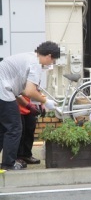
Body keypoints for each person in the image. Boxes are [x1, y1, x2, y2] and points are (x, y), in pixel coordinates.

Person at [0, 41, 60, 170]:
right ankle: (8, 164)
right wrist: (45, 101)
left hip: (4, 91)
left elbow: (19, 91)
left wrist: (28, 106)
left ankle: (7, 162)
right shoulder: (36, 63)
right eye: (53, 61)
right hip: (2, 92)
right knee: (15, 128)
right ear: (49, 56)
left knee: (3, 129)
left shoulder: (28, 57)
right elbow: (29, 91)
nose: (51, 64)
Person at [16, 95, 45, 165]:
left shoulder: (34, 84)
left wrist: (42, 104)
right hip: (18, 107)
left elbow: (37, 92)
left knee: (30, 130)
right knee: (20, 133)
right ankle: (18, 157)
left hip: (30, 108)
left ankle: (27, 155)